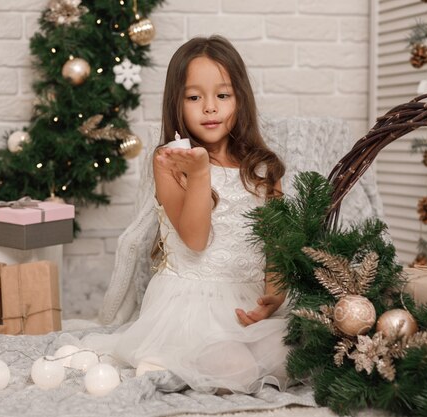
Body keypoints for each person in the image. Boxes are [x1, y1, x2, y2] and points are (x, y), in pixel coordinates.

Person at [105, 35, 292, 395]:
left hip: (246, 305)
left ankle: (197, 364)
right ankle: (170, 360)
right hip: (191, 306)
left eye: (222, 96)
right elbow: (195, 238)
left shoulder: (263, 168)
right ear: (177, 103)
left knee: (289, 353)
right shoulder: (168, 162)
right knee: (235, 371)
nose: (210, 108)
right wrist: (200, 172)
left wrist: (275, 297)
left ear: (240, 99)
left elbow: (278, 244)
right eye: (194, 97)